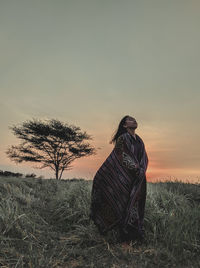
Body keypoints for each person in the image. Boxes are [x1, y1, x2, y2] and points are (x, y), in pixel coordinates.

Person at [90, 115, 148, 243]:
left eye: (135, 119)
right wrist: (136, 168)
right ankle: (124, 236)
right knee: (123, 203)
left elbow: (144, 157)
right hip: (124, 178)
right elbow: (122, 156)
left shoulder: (139, 140)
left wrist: (141, 170)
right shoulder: (122, 139)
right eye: (131, 119)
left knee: (135, 205)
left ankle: (135, 235)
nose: (134, 120)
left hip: (137, 179)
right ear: (125, 125)